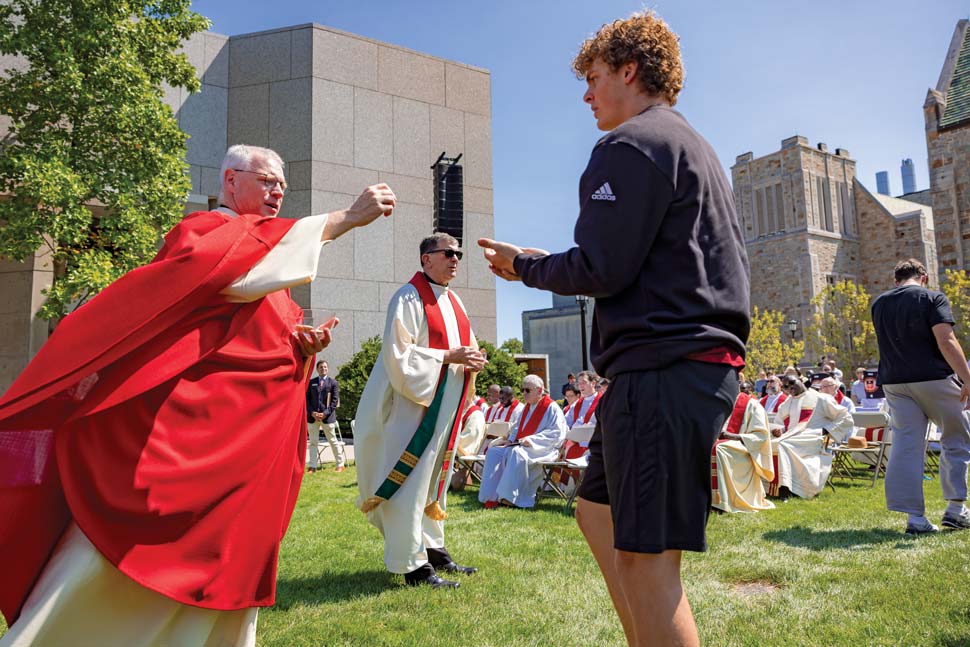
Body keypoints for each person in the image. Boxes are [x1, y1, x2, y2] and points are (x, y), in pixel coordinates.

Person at [0, 144, 396, 646]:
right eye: (267, 181)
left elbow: (254, 318)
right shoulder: (205, 233)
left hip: (244, 439)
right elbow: (234, 275)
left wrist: (302, 345)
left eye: (282, 186)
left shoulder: (266, 254)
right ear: (231, 181)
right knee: (152, 534)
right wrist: (343, 219)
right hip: (193, 432)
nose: (278, 192)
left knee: (233, 546)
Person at [478, 12, 749, 646]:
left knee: (648, 562)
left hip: (663, 371)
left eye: (594, 77)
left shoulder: (628, 146)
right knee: (596, 513)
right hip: (682, 370)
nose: (586, 93)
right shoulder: (692, 146)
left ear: (630, 71)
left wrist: (524, 267)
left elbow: (602, 265)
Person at [354, 233, 485, 589]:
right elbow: (399, 355)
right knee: (410, 482)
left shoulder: (454, 300)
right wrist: (447, 357)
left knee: (433, 482)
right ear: (427, 258)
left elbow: (465, 347)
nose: (456, 259)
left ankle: (434, 549)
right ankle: (412, 566)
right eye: (448, 253)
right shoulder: (409, 297)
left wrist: (473, 359)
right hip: (412, 410)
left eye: (458, 253)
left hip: (444, 409)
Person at [871, 258, 970, 535]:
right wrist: (967, 379)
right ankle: (955, 509)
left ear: (896, 280)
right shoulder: (932, 297)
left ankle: (915, 519)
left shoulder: (879, 303)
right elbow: (946, 340)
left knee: (906, 446)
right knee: (956, 438)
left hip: (894, 382)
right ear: (924, 277)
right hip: (933, 378)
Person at [478, 375, 567, 509]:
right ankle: (491, 496)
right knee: (494, 452)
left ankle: (511, 498)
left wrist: (532, 440)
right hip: (522, 446)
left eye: (527, 390)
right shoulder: (527, 408)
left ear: (539, 390)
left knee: (516, 453)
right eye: (522, 390)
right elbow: (518, 428)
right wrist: (509, 440)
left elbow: (557, 433)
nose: (524, 393)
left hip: (543, 448)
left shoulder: (551, 408)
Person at [768, 376, 854, 499]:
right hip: (792, 437)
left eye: (792, 383)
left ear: (801, 381)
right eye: (786, 386)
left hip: (814, 437)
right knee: (773, 444)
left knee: (783, 445)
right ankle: (774, 487)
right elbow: (781, 425)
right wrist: (779, 431)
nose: (790, 388)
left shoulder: (820, 398)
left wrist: (827, 430)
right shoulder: (785, 405)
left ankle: (785, 489)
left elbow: (845, 417)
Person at [711, 381, 774, 513]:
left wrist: (731, 436)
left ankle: (722, 501)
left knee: (719, 450)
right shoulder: (718, 402)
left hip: (742, 447)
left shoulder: (753, 405)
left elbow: (760, 436)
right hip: (721, 442)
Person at [306, 360, 346, 473]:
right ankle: (312, 466)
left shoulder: (333, 383)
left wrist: (324, 414)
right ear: (317, 369)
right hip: (312, 418)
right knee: (313, 442)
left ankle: (340, 464)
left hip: (327, 418)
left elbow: (334, 402)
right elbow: (306, 400)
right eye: (320, 367)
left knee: (333, 441)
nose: (323, 368)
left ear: (327, 369)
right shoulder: (311, 382)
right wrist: (312, 413)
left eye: (325, 367)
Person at [450, 391, 487, 491]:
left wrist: (448, 441)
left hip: (461, 452)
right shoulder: (460, 411)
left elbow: (468, 441)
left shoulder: (476, 415)